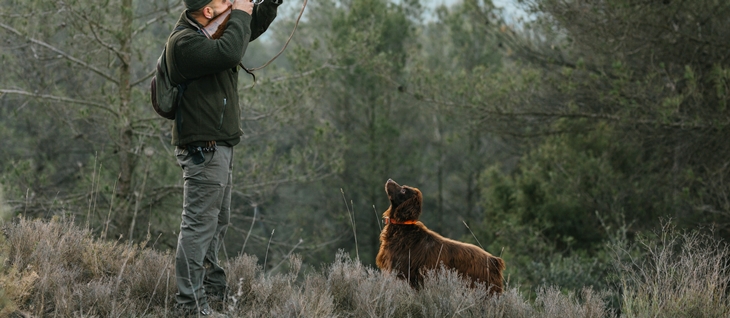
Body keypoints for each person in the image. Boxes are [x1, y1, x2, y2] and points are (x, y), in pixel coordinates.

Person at [166, 0, 281, 316]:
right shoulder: (185, 42)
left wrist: (267, 4)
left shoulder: (207, 31)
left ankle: (213, 293)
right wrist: (243, 11)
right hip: (204, 146)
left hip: (218, 144)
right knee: (198, 226)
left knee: (216, 222)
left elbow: (245, 32)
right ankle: (190, 306)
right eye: (224, 1)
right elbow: (231, 51)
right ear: (207, 11)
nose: (230, 2)